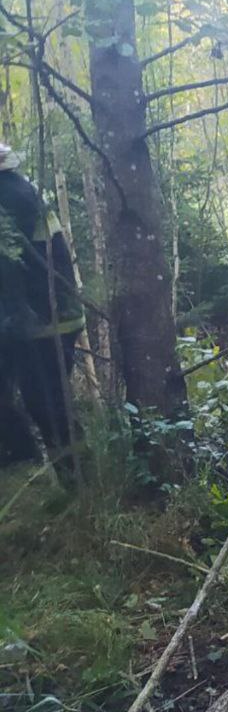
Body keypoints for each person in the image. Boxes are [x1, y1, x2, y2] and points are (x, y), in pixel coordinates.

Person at [0, 142, 84, 470]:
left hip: (43, 316)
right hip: (34, 313)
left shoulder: (10, 197)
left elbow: (10, 262)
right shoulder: (16, 188)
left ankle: (77, 476)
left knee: (45, 400)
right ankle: (21, 460)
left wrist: (13, 316)